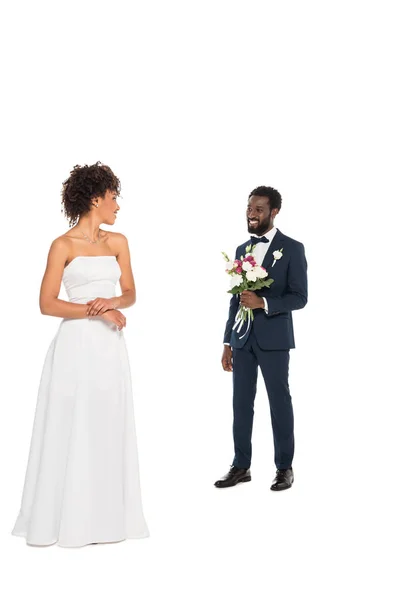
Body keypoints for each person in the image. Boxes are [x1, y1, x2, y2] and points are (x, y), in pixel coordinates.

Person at [12, 162, 149, 547]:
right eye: (113, 197)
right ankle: (63, 520)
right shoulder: (62, 245)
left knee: (107, 423)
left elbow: (130, 294)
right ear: (95, 198)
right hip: (74, 347)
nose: (117, 206)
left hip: (109, 349)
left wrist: (114, 304)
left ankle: (104, 521)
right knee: (70, 425)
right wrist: (101, 309)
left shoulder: (119, 242)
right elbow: (47, 304)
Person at [215, 186, 308, 491]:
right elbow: (235, 299)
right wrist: (227, 342)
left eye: (258, 210)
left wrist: (265, 303)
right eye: (249, 208)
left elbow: (299, 297)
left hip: (274, 339)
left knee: (279, 403)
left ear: (274, 212)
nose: (251, 214)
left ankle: (284, 468)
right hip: (242, 339)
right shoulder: (242, 250)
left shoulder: (292, 248)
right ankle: (241, 466)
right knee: (241, 404)